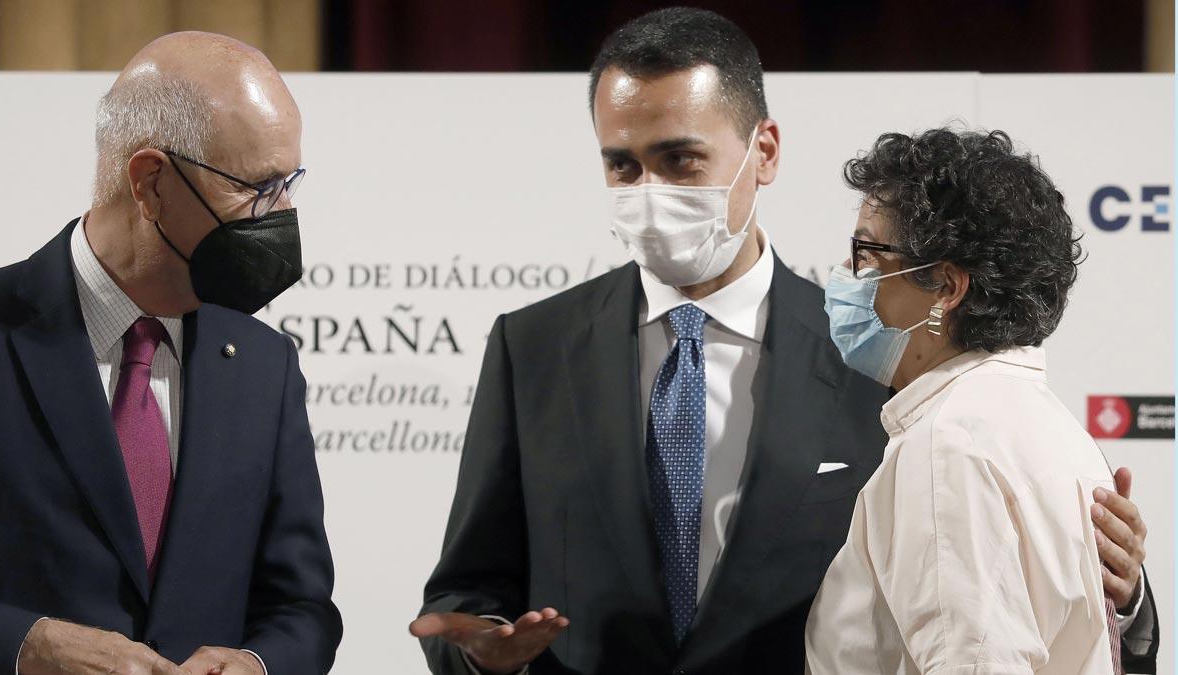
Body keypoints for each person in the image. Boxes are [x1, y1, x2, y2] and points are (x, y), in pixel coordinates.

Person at [410, 8, 1154, 674]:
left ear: (763, 151)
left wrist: (1125, 599)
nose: (647, 192)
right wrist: (483, 653)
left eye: (679, 160)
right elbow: (466, 590)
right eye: (621, 164)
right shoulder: (532, 346)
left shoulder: (886, 354)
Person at [0, 32, 341, 674]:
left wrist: (258, 664)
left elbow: (302, 606)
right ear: (150, 183)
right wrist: (25, 646)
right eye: (259, 187)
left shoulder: (265, 364)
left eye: (289, 183)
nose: (281, 214)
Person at [805, 128, 1159, 674]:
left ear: (946, 288)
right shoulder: (1045, 424)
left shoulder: (948, 445)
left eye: (868, 254)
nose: (848, 278)